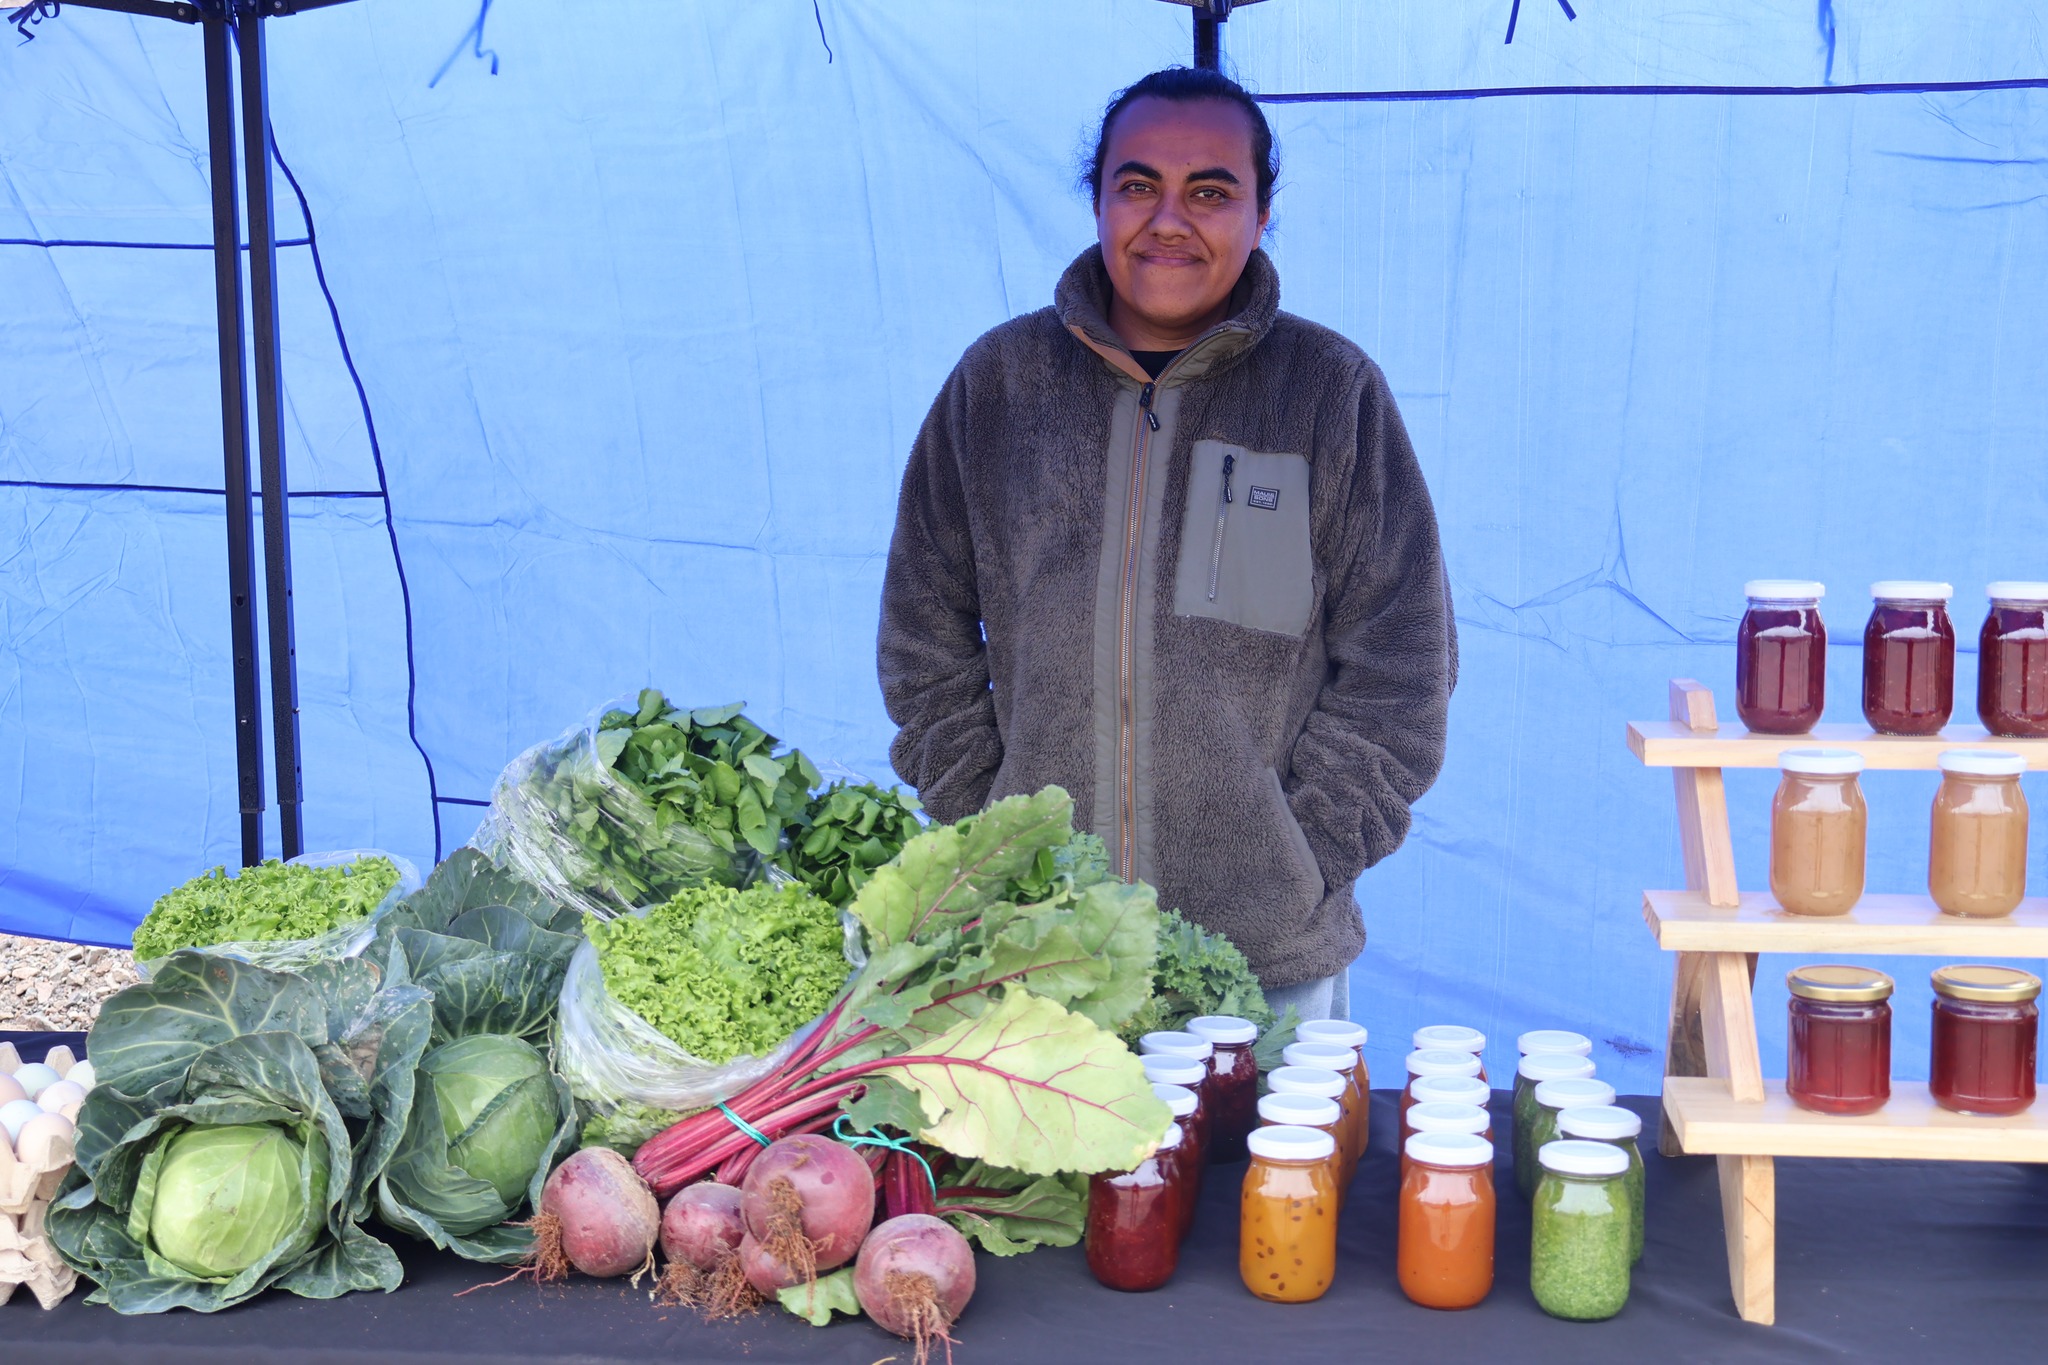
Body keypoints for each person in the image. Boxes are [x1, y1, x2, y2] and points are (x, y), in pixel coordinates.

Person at [877, 67, 1455, 1022]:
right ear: (1098, 199)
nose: (1169, 220)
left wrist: (1299, 856)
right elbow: (921, 631)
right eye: (1138, 185)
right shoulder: (1000, 387)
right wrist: (991, 834)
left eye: (1212, 191)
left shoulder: (1330, 393)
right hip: (1033, 956)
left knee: (1268, 1180)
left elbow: (1406, 663)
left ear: (1263, 211)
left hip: (1264, 970)